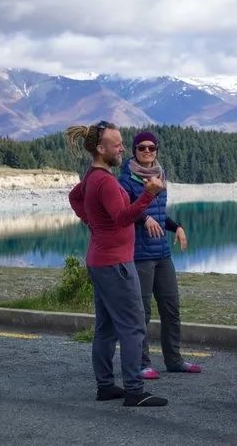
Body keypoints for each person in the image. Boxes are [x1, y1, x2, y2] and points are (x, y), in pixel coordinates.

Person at [66, 120, 168, 408]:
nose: (123, 147)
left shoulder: (92, 178)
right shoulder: (106, 182)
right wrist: (149, 193)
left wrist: (91, 222)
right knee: (134, 327)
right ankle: (135, 390)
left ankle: (106, 386)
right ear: (101, 148)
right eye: (117, 143)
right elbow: (123, 217)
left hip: (100, 261)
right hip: (116, 265)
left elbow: (75, 198)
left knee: (106, 327)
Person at [118, 131, 202, 380]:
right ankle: (141, 363)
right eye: (141, 148)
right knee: (141, 312)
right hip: (140, 254)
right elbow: (125, 212)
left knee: (171, 308)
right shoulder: (126, 180)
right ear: (134, 150)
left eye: (151, 148)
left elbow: (160, 213)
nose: (147, 151)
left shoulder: (160, 176)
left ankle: (174, 361)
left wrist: (176, 227)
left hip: (163, 253)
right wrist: (144, 219)